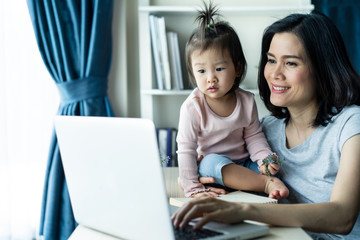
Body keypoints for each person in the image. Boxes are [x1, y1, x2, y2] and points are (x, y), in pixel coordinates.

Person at [172, 10, 360, 240]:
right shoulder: (267, 129)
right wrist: (198, 179)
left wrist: (243, 211)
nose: (274, 74)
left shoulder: (351, 124)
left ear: (323, 68)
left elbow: (342, 217)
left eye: (290, 63)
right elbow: (217, 163)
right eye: (271, 60)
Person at [176, 1, 289, 200]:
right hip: (213, 168)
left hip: (243, 166)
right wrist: (192, 187)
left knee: (273, 166)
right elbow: (186, 149)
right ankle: (264, 185)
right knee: (209, 162)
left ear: (237, 69)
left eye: (219, 69)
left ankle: (264, 180)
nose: (210, 77)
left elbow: (254, 137)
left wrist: (264, 159)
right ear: (193, 73)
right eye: (201, 71)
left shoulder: (246, 101)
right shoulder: (192, 107)